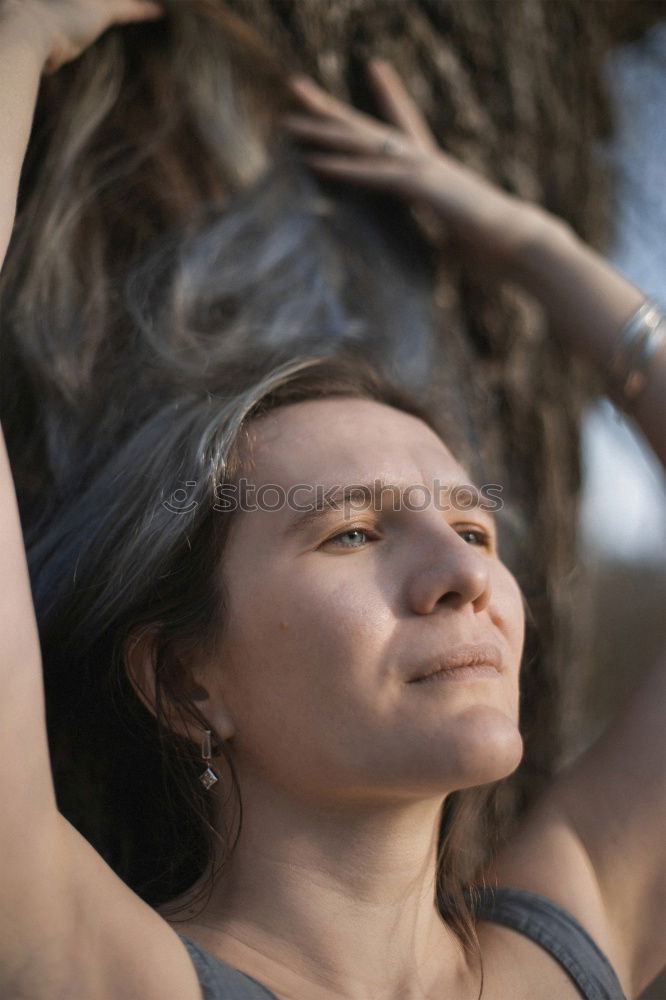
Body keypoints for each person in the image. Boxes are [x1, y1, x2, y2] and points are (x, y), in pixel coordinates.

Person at [0, 2, 664, 999]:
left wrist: (528, 244)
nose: (466, 574)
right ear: (185, 682)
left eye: (473, 524)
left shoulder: (565, 962)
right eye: (353, 530)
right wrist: (15, 44)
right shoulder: (94, 967)